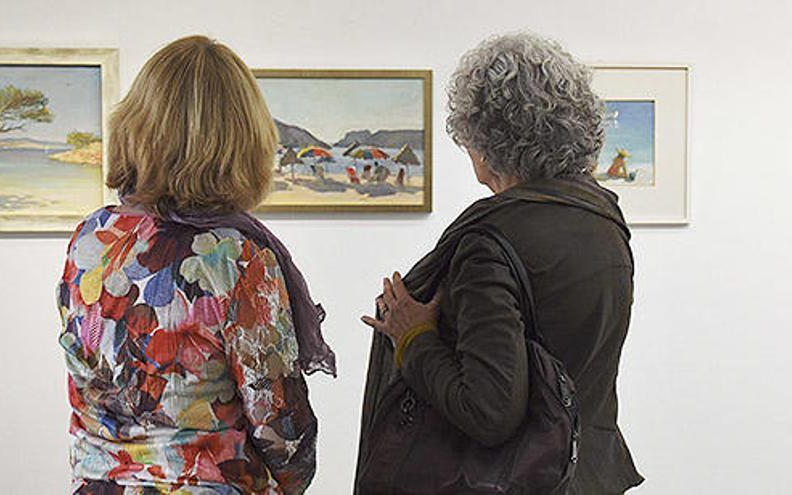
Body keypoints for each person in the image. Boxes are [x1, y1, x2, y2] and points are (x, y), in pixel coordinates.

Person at [356, 33, 643, 494]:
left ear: (487, 143)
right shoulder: (605, 222)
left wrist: (413, 337)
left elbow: (488, 412)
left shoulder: (489, 242)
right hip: (587, 476)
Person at [57, 35, 335, 495]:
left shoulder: (92, 237)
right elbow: (280, 426)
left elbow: (87, 380)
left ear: (137, 125)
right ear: (242, 138)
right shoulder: (235, 257)